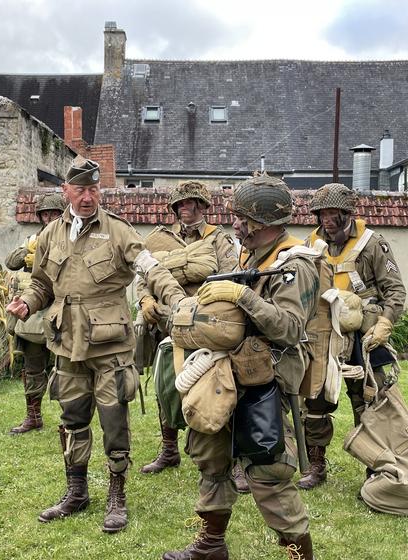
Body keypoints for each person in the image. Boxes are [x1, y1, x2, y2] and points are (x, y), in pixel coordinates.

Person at [144, 173, 317, 559]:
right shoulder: (246, 254)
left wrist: (242, 295)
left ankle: (299, 556)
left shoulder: (297, 263)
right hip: (225, 375)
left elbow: (289, 328)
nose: (235, 224)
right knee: (211, 457)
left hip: (265, 383)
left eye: (241, 217)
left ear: (262, 220)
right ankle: (210, 546)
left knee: (268, 473)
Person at [6, 155, 166, 534]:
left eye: (93, 189)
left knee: (114, 420)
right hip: (66, 343)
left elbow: (151, 268)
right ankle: (76, 491)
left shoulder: (118, 231)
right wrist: (28, 302)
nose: (87, 196)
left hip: (109, 344)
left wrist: (174, 297)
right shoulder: (50, 235)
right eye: (80, 189)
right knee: (73, 418)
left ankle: (117, 494)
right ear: (66, 192)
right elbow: (42, 283)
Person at [297, 183, 406, 490]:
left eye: (332, 214)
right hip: (321, 334)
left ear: (347, 213)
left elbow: (395, 290)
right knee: (315, 400)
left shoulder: (373, 244)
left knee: (370, 403)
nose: (326, 221)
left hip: (362, 337)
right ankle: (315, 466)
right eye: (321, 214)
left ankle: (377, 468)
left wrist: (384, 324)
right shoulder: (310, 244)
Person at [137, 181, 239, 482]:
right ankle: (169, 449)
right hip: (166, 324)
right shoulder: (157, 239)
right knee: (166, 386)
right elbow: (144, 275)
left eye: (191, 203)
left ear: (203, 206)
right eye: (180, 204)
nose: (185, 208)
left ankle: (227, 458)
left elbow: (231, 277)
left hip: (207, 325)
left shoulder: (218, 239)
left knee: (216, 387)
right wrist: (144, 298)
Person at [5, 193, 66, 434]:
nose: (49, 218)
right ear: (39, 216)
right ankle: (33, 416)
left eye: (54, 213)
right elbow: (11, 262)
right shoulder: (31, 239)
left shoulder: (69, 238)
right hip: (32, 313)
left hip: (60, 311)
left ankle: (68, 417)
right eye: (45, 214)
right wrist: (29, 251)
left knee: (65, 367)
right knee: (32, 367)